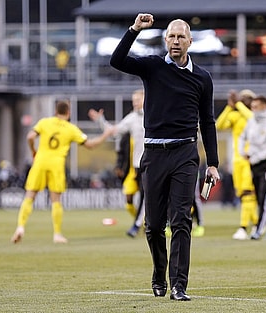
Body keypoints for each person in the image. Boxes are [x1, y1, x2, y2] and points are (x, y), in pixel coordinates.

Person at [109, 14, 220, 301]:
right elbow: (117, 60)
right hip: (154, 154)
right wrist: (134, 29)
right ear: (165, 40)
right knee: (154, 225)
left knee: (182, 220)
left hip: (185, 153)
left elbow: (207, 122)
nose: (175, 40)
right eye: (171, 36)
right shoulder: (153, 67)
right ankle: (159, 274)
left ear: (190, 41)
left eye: (181, 36)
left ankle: (178, 285)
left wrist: (213, 164)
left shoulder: (202, 78)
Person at [11, 99, 113, 244]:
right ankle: (57, 234)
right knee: (56, 200)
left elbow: (30, 136)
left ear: (55, 111)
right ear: (68, 112)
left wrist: (34, 150)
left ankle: (20, 227)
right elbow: (90, 144)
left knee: (30, 196)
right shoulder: (70, 128)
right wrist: (106, 135)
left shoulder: (44, 122)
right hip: (56, 164)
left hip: (40, 161)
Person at [89, 89, 146, 238]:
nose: (135, 103)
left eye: (138, 100)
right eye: (133, 101)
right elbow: (113, 131)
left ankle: (137, 225)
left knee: (145, 197)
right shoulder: (132, 118)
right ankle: (145, 221)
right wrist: (101, 121)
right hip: (135, 167)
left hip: (150, 164)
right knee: (129, 197)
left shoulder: (153, 115)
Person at [216, 89, 258, 240]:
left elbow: (252, 118)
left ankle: (243, 227)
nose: (243, 100)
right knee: (243, 194)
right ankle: (257, 224)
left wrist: (238, 104)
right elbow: (219, 125)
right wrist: (229, 106)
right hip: (237, 160)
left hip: (250, 158)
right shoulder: (235, 115)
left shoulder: (253, 116)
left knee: (248, 194)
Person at [238, 95, 266, 240]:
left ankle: (259, 230)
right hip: (253, 164)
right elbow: (242, 137)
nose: (253, 109)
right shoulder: (251, 122)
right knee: (259, 198)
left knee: (264, 197)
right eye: (252, 106)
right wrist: (242, 151)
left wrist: (256, 157)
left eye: (256, 106)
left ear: (264, 106)